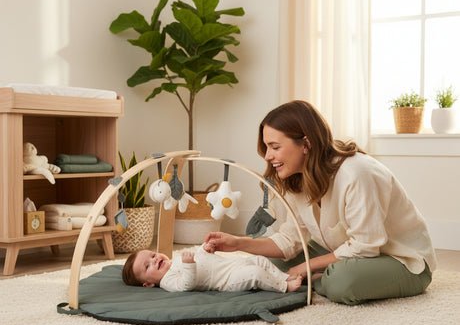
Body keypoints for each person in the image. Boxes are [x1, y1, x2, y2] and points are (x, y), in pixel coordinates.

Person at [205, 100, 437, 306]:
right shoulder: (298, 177)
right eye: (267, 147)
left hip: (403, 261)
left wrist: (307, 267)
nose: (267, 156)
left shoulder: (357, 173)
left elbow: (367, 246)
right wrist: (237, 243)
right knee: (269, 261)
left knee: (341, 282)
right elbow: (289, 240)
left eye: (275, 147)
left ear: (306, 144)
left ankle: (321, 279)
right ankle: (323, 273)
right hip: (347, 250)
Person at [122, 242, 303, 293]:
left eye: (153, 255)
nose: (154, 260)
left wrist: (205, 249)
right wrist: (188, 265)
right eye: (147, 266)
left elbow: (201, 258)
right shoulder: (167, 281)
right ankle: (283, 287)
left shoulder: (176, 260)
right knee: (254, 273)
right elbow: (187, 284)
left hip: (231, 264)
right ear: (148, 284)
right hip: (227, 281)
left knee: (259, 260)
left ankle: (283, 277)